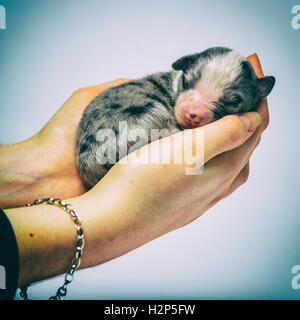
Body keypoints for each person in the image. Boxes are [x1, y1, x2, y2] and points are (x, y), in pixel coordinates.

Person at [0, 54, 269, 299]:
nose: (194, 111)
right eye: (191, 87)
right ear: (184, 70)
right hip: (119, 132)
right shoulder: (159, 97)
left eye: (230, 101)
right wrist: (107, 224)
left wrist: (40, 170)